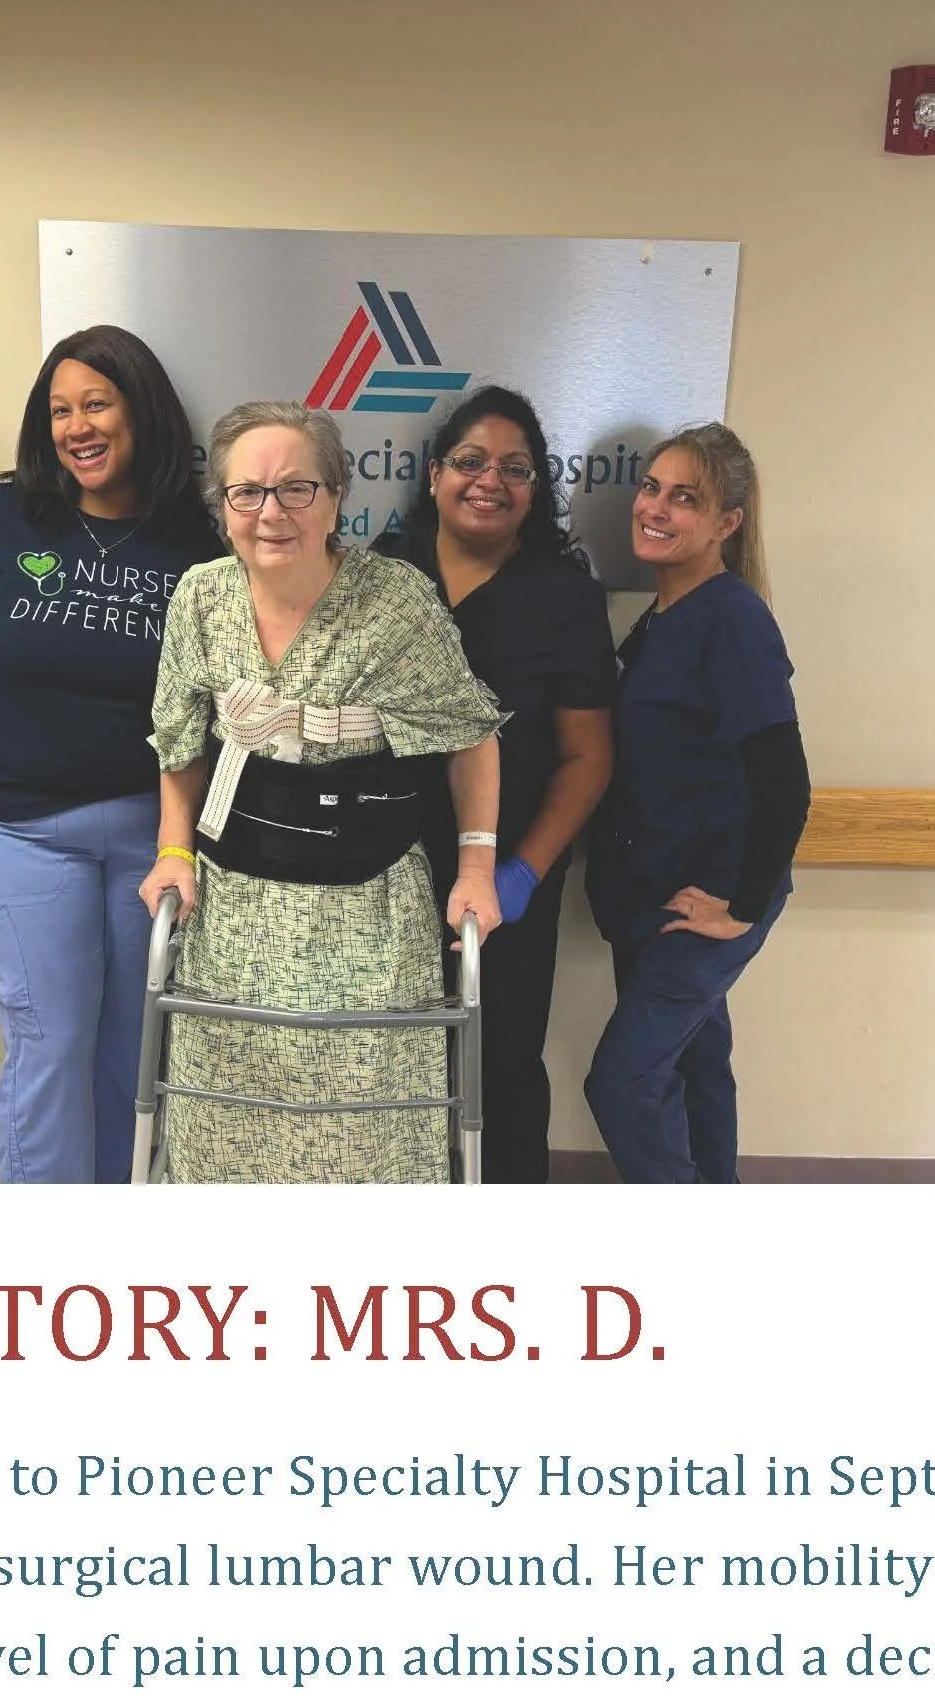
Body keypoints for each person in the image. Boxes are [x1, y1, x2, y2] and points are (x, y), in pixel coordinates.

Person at [138, 403, 504, 1184]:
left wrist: (477, 869)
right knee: (228, 1130)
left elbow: (471, 737)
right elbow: (178, 742)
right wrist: (173, 851)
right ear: (223, 506)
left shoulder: (395, 600)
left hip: (370, 912)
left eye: (296, 488)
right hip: (234, 908)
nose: (270, 512)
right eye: (246, 492)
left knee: (363, 1137)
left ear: (336, 499)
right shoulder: (201, 597)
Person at [0, 328, 218, 1181]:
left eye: (96, 404)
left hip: (152, 837)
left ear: (142, 413)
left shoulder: (195, 543)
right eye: (59, 411)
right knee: (49, 1040)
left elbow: (208, 705)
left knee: (135, 1046)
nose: (76, 427)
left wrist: (181, 841)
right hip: (19, 832)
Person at [373, 387, 615, 1182]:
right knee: (382, 1069)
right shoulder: (382, 574)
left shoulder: (564, 597)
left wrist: (522, 875)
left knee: (500, 1070)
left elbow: (587, 759)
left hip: (510, 877)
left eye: (515, 468)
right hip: (380, 874)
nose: (490, 481)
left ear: (536, 488)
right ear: (434, 473)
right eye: (471, 461)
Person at [584, 422, 809, 1184]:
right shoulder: (662, 619)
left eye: (685, 498)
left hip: (704, 900)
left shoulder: (731, 620)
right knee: (697, 1065)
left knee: (622, 1083)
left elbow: (786, 781)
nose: (656, 507)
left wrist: (740, 904)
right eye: (652, 488)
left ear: (727, 523)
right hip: (652, 897)